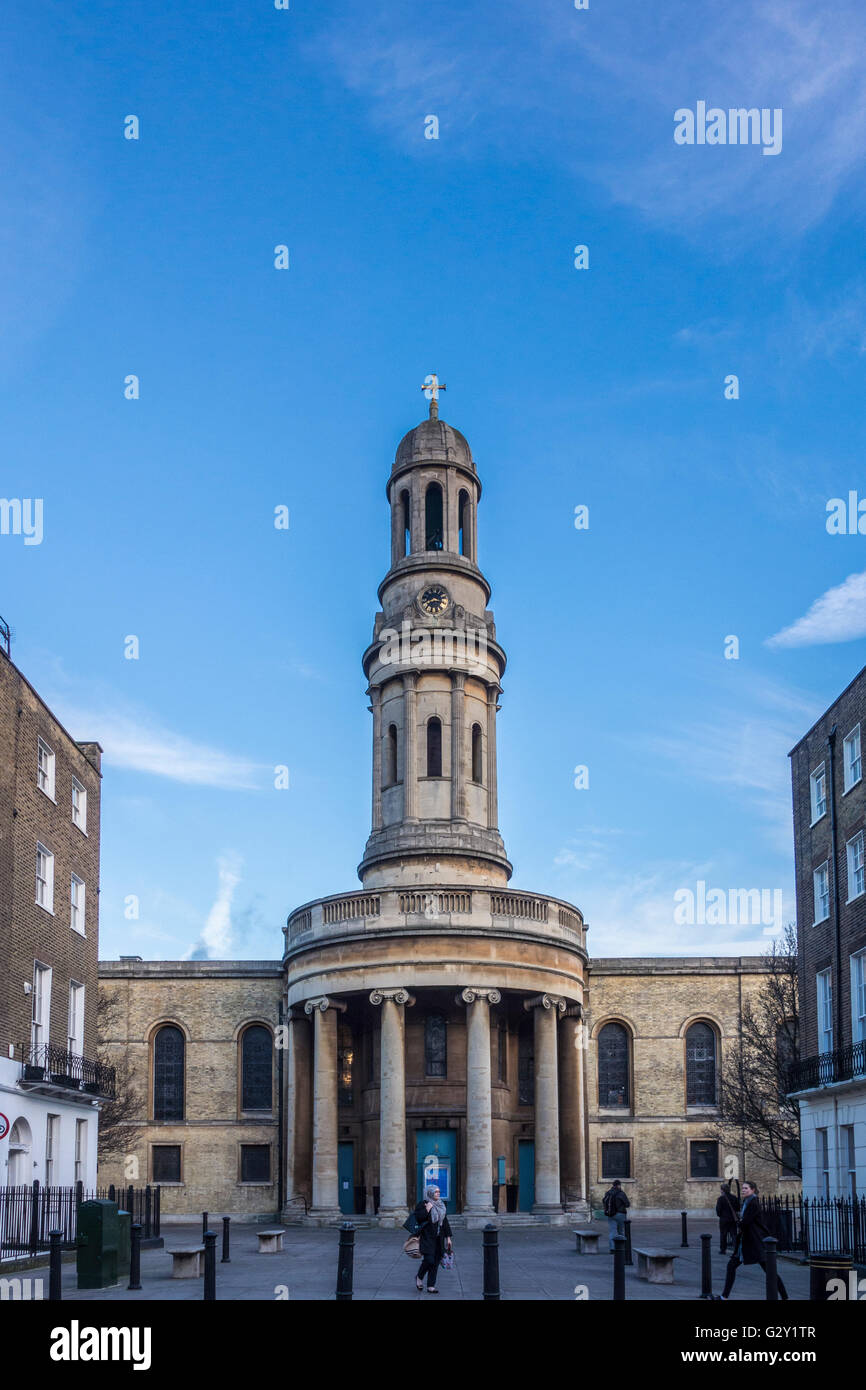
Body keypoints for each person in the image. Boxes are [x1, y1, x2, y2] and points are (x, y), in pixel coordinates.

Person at [716, 1180, 788, 1300]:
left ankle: (785, 1296)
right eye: (743, 1188)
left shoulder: (753, 1203)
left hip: (755, 1243)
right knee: (732, 1266)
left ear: (753, 1190)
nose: (743, 1190)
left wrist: (740, 1223)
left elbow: (746, 1222)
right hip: (747, 1242)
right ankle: (724, 1296)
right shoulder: (747, 1202)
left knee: (770, 1271)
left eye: (746, 1188)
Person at [413, 1184, 453, 1293]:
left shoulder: (441, 1204)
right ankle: (419, 1276)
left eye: (439, 1191)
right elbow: (418, 1218)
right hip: (427, 1237)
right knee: (429, 1260)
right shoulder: (423, 1204)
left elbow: (444, 1222)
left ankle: (431, 1285)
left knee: (435, 1262)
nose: (438, 1193)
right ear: (430, 1193)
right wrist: (427, 1209)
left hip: (439, 1238)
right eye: (436, 1192)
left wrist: (448, 1238)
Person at [602, 1178, 630, 1251]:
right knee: (621, 1231)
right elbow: (627, 1204)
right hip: (620, 1214)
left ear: (613, 1185)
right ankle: (622, 1247)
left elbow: (604, 1201)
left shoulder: (608, 1193)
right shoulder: (621, 1193)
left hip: (611, 1215)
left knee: (612, 1231)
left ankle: (612, 1248)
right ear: (619, 1185)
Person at [716, 1182, 740, 1255]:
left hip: (724, 1219)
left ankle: (723, 1250)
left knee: (723, 1235)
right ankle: (736, 1251)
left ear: (722, 1190)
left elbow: (718, 1210)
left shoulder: (721, 1199)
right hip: (732, 1219)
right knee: (734, 1235)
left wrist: (721, 1215)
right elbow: (738, 1208)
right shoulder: (734, 1197)